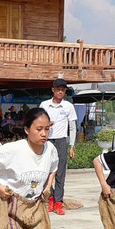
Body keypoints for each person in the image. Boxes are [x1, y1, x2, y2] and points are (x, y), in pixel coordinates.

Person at [40, 78, 76, 215]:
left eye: (63, 89)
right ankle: (49, 197)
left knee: (60, 173)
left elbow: (72, 127)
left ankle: (58, 202)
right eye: (58, 89)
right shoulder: (44, 105)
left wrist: (72, 145)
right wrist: (46, 125)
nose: (60, 92)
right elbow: (38, 123)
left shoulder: (68, 106)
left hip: (61, 141)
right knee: (46, 172)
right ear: (53, 90)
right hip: (47, 141)